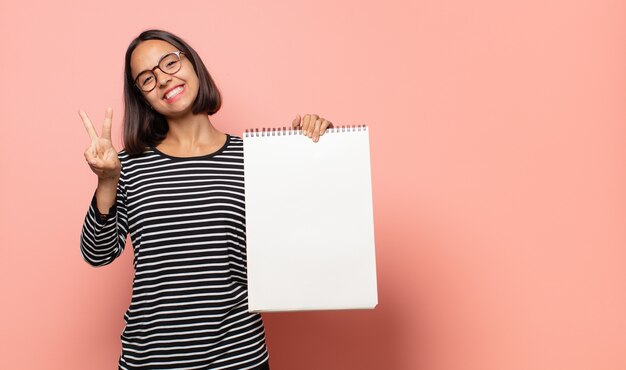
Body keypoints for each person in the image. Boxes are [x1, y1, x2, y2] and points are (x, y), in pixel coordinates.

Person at [79, 29, 333, 370]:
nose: (164, 79)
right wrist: (107, 181)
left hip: (238, 357)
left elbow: (307, 236)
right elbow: (97, 253)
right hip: (151, 361)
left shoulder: (255, 158)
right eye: (147, 79)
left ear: (193, 65)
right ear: (142, 97)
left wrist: (319, 152)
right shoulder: (128, 166)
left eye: (169, 62)